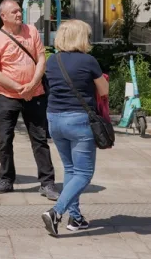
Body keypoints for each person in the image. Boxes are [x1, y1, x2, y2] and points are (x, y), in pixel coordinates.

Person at [0, 0, 59, 200]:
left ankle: (47, 183)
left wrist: (32, 84)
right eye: (14, 12)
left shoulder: (31, 31)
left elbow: (42, 59)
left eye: (19, 11)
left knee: (39, 139)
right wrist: (19, 87)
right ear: (3, 16)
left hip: (35, 94)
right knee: (4, 139)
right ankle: (6, 180)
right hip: (7, 96)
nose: (19, 14)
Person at [41, 20, 108, 236]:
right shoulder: (88, 61)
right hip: (79, 120)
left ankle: (76, 218)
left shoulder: (52, 60)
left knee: (70, 169)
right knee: (84, 173)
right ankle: (56, 211)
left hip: (54, 119)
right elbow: (104, 90)